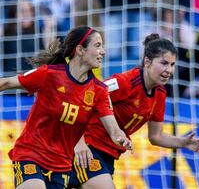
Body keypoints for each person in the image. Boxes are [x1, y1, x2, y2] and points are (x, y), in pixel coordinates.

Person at [0, 26, 132, 189]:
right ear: (80, 50)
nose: (103, 51)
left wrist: (121, 138)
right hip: (31, 154)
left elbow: (114, 130)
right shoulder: (49, 74)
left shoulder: (99, 91)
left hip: (61, 165)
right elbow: (6, 83)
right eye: (97, 46)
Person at [69, 33, 199, 188]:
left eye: (172, 65)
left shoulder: (160, 93)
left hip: (108, 155)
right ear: (147, 62)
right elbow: (80, 100)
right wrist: (79, 144)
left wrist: (183, 142)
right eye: (164, 63)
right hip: (88, 147)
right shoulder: (125, 82)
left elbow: (156, 136)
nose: (169, 70)